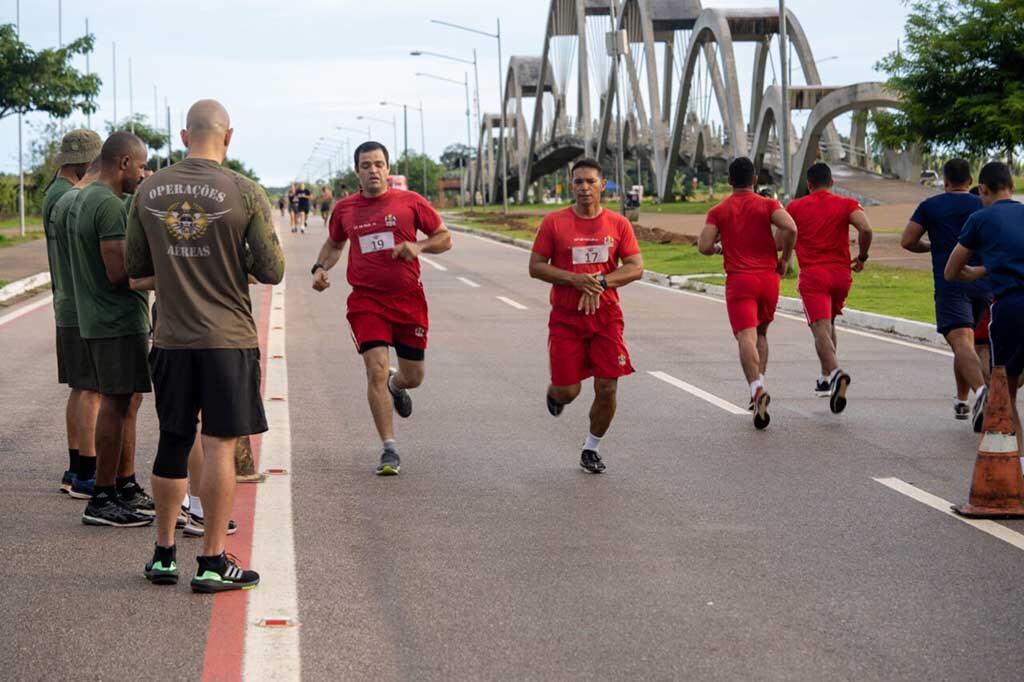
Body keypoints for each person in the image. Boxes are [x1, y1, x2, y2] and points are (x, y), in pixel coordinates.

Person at [126, 99, 284, 592]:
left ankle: (164, 555)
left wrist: (177, 272)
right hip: (227, 340)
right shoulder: (245, 192)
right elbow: (272, 270)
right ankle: (213, 561)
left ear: (182, 135)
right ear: (228, 136)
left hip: (171, 338)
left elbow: (136, 273)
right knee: (219, 445)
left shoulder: (148, 190)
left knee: (174, 440)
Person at [312, 141, 452, 475]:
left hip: (408, 301)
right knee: (375, 368)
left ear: (388, 169)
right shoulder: (346, 209)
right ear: (357, 171)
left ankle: (397, 385)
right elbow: (334, 244)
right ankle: (389, 449)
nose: (373, 170)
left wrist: (419, 246)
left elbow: (444, 237)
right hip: (366, 301)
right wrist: (319, 268)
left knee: (414, 376)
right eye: (366, 165)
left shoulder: (411, 202)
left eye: (378, 164)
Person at [529, 158, 644, 473]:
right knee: (569, 391)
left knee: (607, 387)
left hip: (606, 317)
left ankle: (591, 448)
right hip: (566, 319)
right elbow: (536, 266)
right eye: (578, 182)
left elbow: (636, 267)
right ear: (571, 185)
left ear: (602, 184)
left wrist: (601, 283)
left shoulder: (618, 224)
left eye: (590, 181)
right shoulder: (554, 223)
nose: (584, 188)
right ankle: (556, 393)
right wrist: (575, 279)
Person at [67, 132, 153, 527]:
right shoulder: (109, 206)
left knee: (121, 405)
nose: (142, 172)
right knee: (115, 408)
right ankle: (102, 497)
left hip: (99, 319)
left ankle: (120, 487)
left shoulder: (87, 199)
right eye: (139, 165)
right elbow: (119, 273)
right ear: (123, 164)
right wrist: (168, 274)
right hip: (116, 322)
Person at [698, 157, 797, 429]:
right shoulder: (768, 204)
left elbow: (704, 246)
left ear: (729, 181)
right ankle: (760, 385)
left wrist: (719, 247)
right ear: (755, 180)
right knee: (762, 334)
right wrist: (785, 257)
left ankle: (756, 389)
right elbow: (790, 227)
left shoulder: (719, 210)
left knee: (745, 337)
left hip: (740, 281)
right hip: (768, 279)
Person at [902, 159, 988, 430]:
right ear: (971, 180)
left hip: (951, 283)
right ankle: (962, 400)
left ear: (945, 180)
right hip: (985, 284)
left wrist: (932, 245)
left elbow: (907, 240)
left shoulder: (930, 206)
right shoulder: (982, 205)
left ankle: (983, 393)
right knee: (979, 347)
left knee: (961, 342)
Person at [945, 161, 1024, 454]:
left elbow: (952, 270)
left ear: (985, 190)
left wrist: (980, 270)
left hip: (1011, 308)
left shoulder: (981, 219)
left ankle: (1017, 469)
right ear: (1012, 187)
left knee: (1004, 397)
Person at [42, 129, 103, 497]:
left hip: (65, 300)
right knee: (91, 391)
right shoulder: (72, 198)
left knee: (79, 389)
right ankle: (87, 474)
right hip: (80, 303)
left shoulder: (54, 193)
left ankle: (75, 467)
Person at [785, 162, 874, 413]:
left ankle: (836, 373)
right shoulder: (846, 204)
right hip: (841, 274)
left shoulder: (796, 207)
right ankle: (825, 380)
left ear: (809, 185)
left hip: (814, 276)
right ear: (832, 182)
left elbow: (782, 239)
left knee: (819, 329)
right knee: (830, 324)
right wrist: (863, 256)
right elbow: (866, 228)